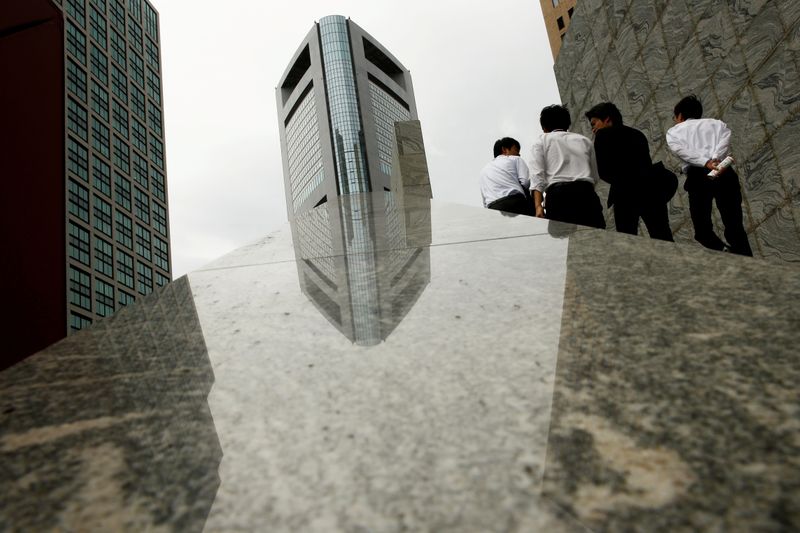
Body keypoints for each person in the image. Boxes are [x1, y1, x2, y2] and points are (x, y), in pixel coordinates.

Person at [666, 95, 753, 256]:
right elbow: (724, 143)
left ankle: (725, 252)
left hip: (698, 177)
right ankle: (750, 262)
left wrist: (705, 162)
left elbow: (682, 152)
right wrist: (714, 160)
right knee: (734, 226)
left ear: (680, 115)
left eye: (675, 117)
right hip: (723, 171)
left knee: (702, 231)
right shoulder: (718, 124)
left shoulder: (674, 132)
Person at [585, 102, 674, 241]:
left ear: (607, 119)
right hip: (650, 189)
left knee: (628, 240)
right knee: (662, 235)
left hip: (624, 194)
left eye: (594, 123)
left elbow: (603, 170)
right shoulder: (637, 134)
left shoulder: (602, 136)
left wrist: (621, 181)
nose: (593, 129)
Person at [528, 105, 605, 228]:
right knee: (597, 239)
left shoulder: (542, 141)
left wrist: (538, 206)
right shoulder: (584, 140)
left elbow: (537, 176)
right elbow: (595, 175)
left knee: (566, 242)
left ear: (544, 127)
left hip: (559, 198)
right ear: (567, 123)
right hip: (586, 194)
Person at [479, 137, 535, 216]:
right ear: (504, 149)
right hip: (514, 203)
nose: (519, 154)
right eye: (516, 150)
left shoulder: (483, 171)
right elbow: (525, 182)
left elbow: (484, 199)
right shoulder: (515, 159)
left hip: (493, 208)